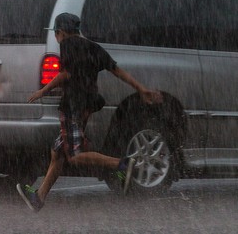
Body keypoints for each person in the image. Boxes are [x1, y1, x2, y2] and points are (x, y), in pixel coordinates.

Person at [16, 13, 162, 212]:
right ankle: (38, 198)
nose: (57, 38)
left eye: (57, 34)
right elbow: (117, 71)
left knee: (75, 155)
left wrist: (43, 90)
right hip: (87, 105)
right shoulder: (94, 47)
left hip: (72, 106)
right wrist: (141, 89)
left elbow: (66, 73)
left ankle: (123, 164)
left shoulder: (67, 45)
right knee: (57, 153)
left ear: (60, 32)